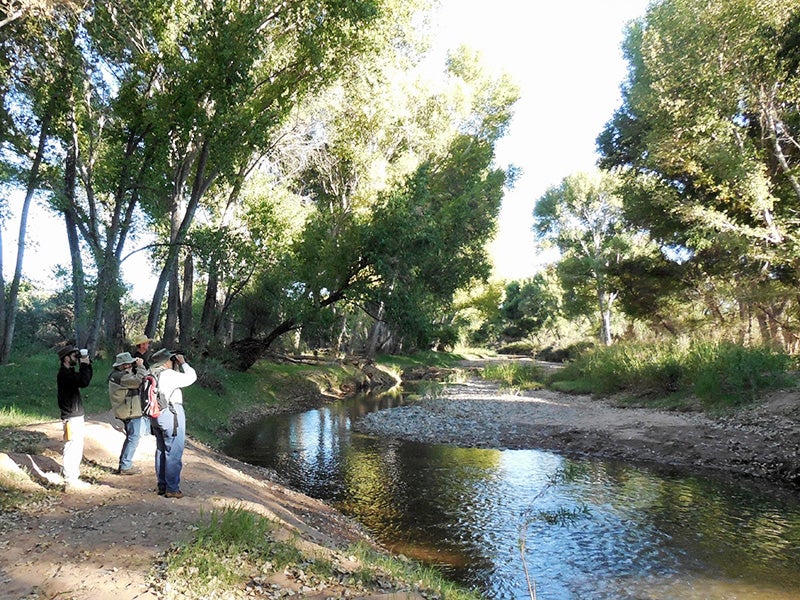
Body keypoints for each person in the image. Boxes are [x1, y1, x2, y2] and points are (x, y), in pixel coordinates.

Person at [149, 348, 196, 498]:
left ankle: (162, 485)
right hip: (171, 414)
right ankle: (172, 488)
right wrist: (183, 363)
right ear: (167, 361)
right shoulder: (169, 374)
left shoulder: (151, 373)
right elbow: (191, 377)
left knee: (161, 450)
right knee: (174, 451)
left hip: (156, 415)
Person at [56, 344, 94, 490]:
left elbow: (84, 379)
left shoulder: (68, 372)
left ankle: (72, 476)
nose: (75, 359)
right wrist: (84, 364)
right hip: (71, 416)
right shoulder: (65, 374)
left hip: (73, 415)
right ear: (66, 358)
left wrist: (86, 364)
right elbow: (83, 381)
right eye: (73, 356)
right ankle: (71, 479)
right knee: (72, 446)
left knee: (75, 445)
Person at [108, 351, 148, 475]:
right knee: (133, 438)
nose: (130, 366)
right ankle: (125, 466)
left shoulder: (117, 375)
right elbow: (139, 381)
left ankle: (124, 463)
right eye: (127, 364)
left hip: (128, 411)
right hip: (130, 412)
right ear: (122, 365)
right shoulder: (122, 377)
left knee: (131, 437)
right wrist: (141, 366)